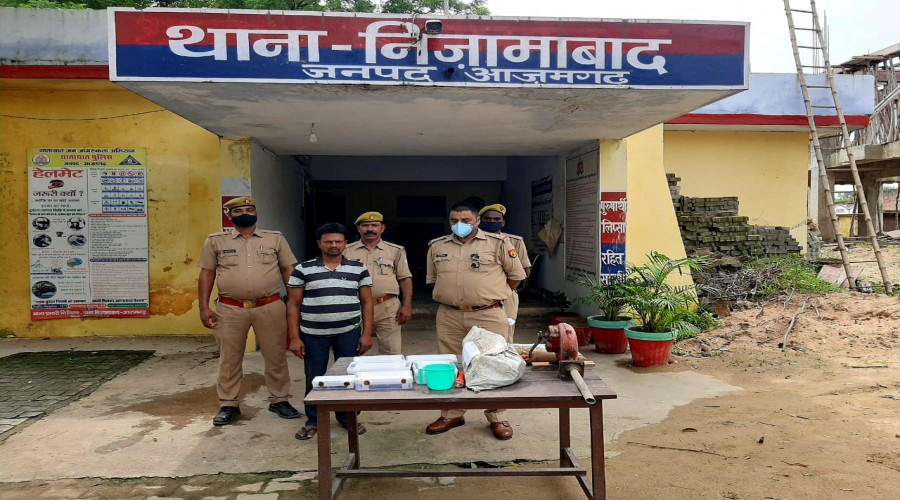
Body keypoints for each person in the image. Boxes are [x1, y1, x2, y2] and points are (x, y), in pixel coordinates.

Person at [424, 202, 526, 440]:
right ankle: (452, 414)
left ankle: (498, 416)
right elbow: (433, 280)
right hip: (449, 314)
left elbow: (516, 277)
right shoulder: (437, 246)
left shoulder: (499, 243)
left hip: (488, 313)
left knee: (494, 363)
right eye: (454, 220)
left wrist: (490, 295)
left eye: (466, 220)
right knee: (450, 364)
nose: (459, 225)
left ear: (477, 221)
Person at [197, 197, 301, 426]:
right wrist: (203, 306)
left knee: (275, 355)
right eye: (238, 211)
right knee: (229, 358)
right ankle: (229, 404)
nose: (245, 213)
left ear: (256, 213)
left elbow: (288, 269)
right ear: (229, 216)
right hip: (230, 308)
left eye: (249, 209)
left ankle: (280, 400)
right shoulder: (216, 241)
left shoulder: (275, 239)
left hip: (270, 306)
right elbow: (207, 273)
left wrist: (295, 303)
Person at [287, 222, 375, 441]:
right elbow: (294, 305)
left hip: (349, 332)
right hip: (313, 333)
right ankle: (314, 420)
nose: (334, 245)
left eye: (338, 241)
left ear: (346, 243)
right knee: (315, 377)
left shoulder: (358, 268)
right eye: (328, 241)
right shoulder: (303, 269)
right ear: (319, 243)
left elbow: (367, 302)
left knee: (348, 376)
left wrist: (366, 334)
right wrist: (295, 337)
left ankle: (347, 417)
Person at [344, 211, 413, 355]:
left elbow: (405, 278)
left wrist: (407, 305)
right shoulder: (346, 251)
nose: (370, 229)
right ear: (358, 229)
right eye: (365, 225)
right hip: (355, 307)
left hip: (387, 306)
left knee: (391, 352)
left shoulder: (395, 250)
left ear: (382, 228)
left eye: (375, 225)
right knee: (354, 352)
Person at [478, 204, 533, 335]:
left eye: (497, 219)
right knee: (477, 334)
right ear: (479, 221)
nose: (492, 221)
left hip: (506, 295)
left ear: (503, 222)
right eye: (488, 219)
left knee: (504, 333)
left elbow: (525, 271)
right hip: (478, 294)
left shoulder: (514, 241)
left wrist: (504, 288)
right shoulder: (470, 242)